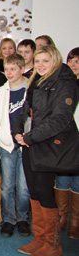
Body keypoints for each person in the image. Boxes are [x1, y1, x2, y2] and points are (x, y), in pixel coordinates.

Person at [14, 45, 79, 256]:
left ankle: (53, 246)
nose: (40, 65)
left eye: (46, 61)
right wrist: (17, 131)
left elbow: (60, 119)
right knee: (34, 191)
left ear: (55, 60)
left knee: (44, 192)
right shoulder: (36, 80)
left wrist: (30, 137)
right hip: (29, 143)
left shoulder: (65, 83)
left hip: (48, 146)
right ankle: (39, 239)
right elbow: (25, 109)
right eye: (38, 60)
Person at [0, 53, 30, 238]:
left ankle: (22, 218)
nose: (9, 73)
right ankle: (9, 219)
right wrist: (2, 134)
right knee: (7, 185)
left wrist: (29, 137)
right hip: (7, 145)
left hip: (27, 146)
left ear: (22, 69)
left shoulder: (31, 89)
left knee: (23, 186)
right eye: (6, 69)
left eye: (13, 69)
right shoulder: (1, 92)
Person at [54, 47, 79, 239]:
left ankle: (75, 221)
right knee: (63, 177)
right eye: (71, 61)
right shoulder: (63, 84)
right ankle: (61, 217)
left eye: (77, 61)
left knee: (78, 180)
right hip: (64, 137)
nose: (73, 64)